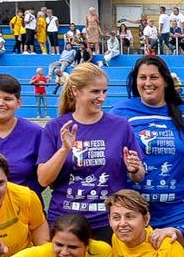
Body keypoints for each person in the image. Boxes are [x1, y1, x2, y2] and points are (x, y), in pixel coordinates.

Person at [39, 63, 146, 240]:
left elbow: (138, 176)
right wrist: (65, 149)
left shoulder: (120, 126)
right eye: (95, 92)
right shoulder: (56, 127)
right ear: (75, 91)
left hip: (108, 223)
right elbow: (44, 179)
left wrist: (134, 169)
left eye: (104, 91)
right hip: (66, 225)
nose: (101, 97)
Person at [107, 55, 184, 228]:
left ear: (165, 81)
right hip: (132, 215)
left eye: (154, 77)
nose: (148, 83)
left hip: (175, 215)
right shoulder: (120, 112)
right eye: (142, 77)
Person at [105, 189, 184, 257]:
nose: (122, 223)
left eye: (130, 216)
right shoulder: (116, 238)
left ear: (146, 219)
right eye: (116, 217)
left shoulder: (169, 246)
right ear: (109, 220)